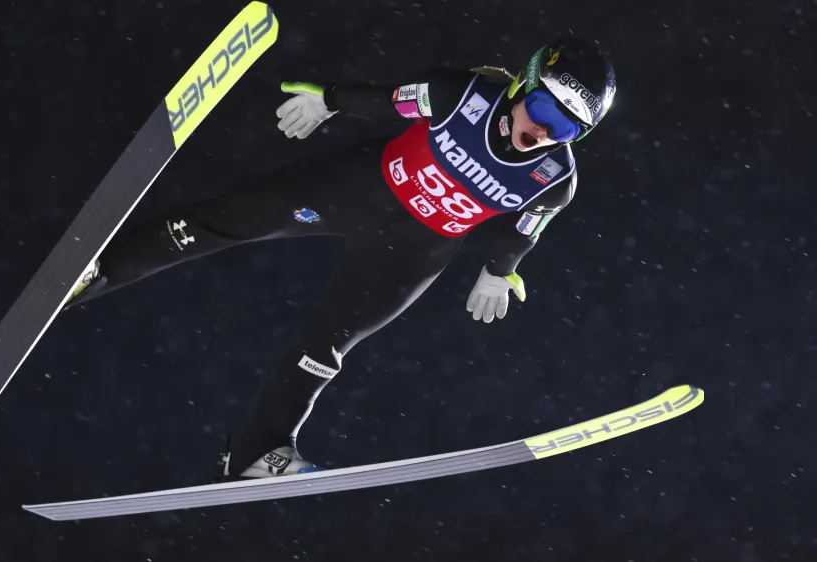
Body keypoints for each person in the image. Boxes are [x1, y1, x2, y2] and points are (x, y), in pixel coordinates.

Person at [65, 38, 617, 480]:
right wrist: (328, 99)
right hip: (357, 190)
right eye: (543, 107)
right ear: (525, 83)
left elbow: (523, 233)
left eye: (566, 126)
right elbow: (389, 99)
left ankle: (256, 454)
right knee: (227, 220)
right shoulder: (462, 96)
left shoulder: (554, 180)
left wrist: (499, 272)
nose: (542, 130)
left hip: (412, 252)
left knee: (325, 350)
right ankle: (96, 273)